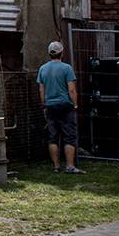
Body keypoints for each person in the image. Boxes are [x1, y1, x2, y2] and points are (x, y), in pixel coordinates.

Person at [37, 41, 83, 174]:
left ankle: (56, 166)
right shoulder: (67, 68)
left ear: (49, 53)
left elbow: (41, 90)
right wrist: (75, 104)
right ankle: (70, 166)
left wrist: (44, 105)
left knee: (53, 137)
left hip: (50, 106)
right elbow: (72, 90)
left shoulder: (42, 69)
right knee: (69, 136)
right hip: (65, 106)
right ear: (62, 53)